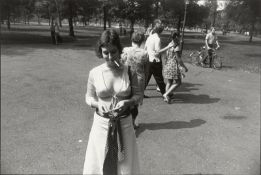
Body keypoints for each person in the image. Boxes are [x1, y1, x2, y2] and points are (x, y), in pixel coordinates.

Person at [83, 29, 141, 175]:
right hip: (101, 125)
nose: (109, 56)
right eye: (105, 53)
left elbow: (139, 96)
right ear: (100, 51)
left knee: (124, 165)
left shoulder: (129, 71)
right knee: (100, 163)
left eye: (113, 52)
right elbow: (88, 97)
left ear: (119, 50)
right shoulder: (94, 73)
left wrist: (127, 102)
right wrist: (97, 104)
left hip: (124, 125)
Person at [121, 31, 148, 129]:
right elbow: (146, 69)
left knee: (126, 98)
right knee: (135, 102)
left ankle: (125, 120)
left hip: (127, 77)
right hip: (139, 78)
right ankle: (132, 122)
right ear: (142, 41)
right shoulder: (144, 53)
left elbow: (121, 63)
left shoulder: (125, 50)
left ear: (132, 39)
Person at [156, 32, 188, 103]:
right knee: (178, 82)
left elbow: (165, 54)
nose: (180, 39)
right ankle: (166, 94)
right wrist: (184, 67)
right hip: (173, 66)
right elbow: (178, 59)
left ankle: (166, 97)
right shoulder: (176, 46)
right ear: (177, 38)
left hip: (168, 64)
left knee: (169, 81)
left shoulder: (170, 44)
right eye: (179, 37)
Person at [144, 19, 166, 98]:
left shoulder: (150, 37)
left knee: (147, 77)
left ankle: (140, 93)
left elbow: (145, 48)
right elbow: (157, 53)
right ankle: (165, 94)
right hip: (155, 61)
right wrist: (167, 47)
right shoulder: (157, 39)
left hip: (149, 60)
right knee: (159, 79)